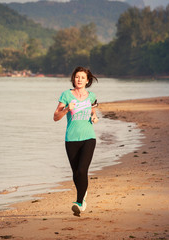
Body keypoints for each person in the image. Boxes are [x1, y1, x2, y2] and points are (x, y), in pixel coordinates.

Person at [53, 66, 99, 216]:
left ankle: (80, 202)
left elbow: (93, 108)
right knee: (75, 173)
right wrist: (66, 109)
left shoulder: (91, 96)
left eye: (82, 78)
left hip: (88, 137)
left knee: (82, 170)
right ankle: (82, 194)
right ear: (73, 78)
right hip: (71, 139)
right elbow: (55, 117)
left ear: (87, 81)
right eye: (77, 77)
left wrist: (94, 116)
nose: (79, 80)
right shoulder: (66, 95)